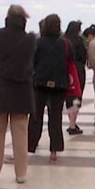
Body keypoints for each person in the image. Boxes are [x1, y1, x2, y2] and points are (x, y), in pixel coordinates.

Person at [0, 5, 36, 184]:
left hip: (0, 89)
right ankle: (21, 173)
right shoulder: (30, 39)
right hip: (21, 90)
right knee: (20, 134)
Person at [30, 14, 69, 162]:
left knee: (36, 116)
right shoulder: (64, 43)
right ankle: (54, 151)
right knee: (55, 117)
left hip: (40, 83)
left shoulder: (38, 42)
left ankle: (30, 146)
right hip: (59, 84)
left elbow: (32, 62)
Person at [64, 21, 88, 134]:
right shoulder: (79, 41)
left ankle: (71, 122)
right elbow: (84, 57)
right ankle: (72, 124)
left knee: (69, 97)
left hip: (65, 70)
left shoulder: (64, 40)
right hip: (77, 70)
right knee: (77, 97)